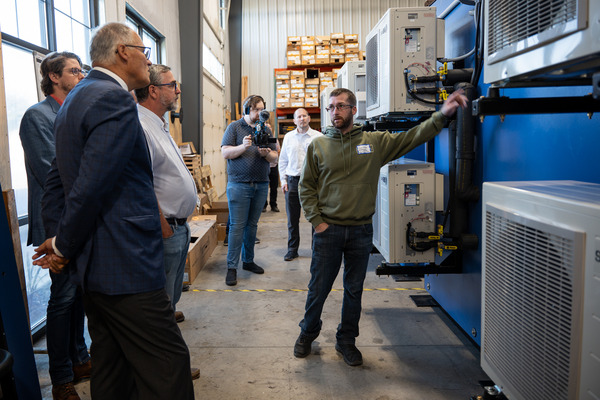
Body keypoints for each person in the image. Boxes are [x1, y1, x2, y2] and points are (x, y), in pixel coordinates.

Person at [33, 22, 194, 399]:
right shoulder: (113, 97)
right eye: (144, 51)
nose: (146, 60)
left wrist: (61, 241)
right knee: (168, 367)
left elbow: (57, 181)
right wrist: (62, 246)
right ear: (123, 52)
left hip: (96, 266)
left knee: (113, 367)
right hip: (126, 265)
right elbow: (92, 185)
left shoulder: (77, 97)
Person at [294, 88, 468, 366]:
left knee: (354, 290)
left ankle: (346, 341)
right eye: (330, 107)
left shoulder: (374, 143)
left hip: (361, 231)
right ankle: (307, 333)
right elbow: (306, 188)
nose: (334, 112)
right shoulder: (318, 146)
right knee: (319, 288)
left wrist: (441, 115)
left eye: (340, 106)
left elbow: (412, 137)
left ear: (353, 110)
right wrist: (318, 222)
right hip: (329, 232)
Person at [19, 51, 90, 400]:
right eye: (73, 71)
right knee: (63, 298)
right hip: (56, 224)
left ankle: (80, 358)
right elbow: (54, 171)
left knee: (77, 294)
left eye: (81, 70)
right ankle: (61, 376)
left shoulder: (71, 113)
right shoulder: (37, 116)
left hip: (75, 219)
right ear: (53, 76)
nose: (80, 76)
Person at [134, 64, 196, 324]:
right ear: (153, 91)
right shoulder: (141, 128)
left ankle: (169, 314)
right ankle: (167, 358)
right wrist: (164, 228)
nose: (178, 90)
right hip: (165, 228)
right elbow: (141, 185)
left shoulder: (159, 124)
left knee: (171, 292)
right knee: (159, 299)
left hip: (177, 226)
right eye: (172, 85)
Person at [221, 95, 278, 286]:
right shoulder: (235, 127)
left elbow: (275, 156)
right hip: (239, 185)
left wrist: (267, 153)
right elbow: (225, 152)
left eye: (262, 109)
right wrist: (242, 146)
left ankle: (248, 261)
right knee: (237, 227)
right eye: (256, 110)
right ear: (247, 110)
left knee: (252, 226)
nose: (260, 113)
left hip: (261, 184)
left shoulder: (266, 128)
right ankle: (231, 267)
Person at [278, 108, 322, 261]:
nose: (302, 119)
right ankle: (292, 249)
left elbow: (324, 161)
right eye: (299, 117)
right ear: (294, 121)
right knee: (292, 219)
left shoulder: (319, 137)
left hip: (313, 182)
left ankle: (316, 249)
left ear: (309, 119)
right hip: (292, 181)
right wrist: (283, 181)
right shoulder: (289, 137)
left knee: (315, 216)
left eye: (304, 116)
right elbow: (282, 160)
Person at [263, 140, 281, 212]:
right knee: (264, 187)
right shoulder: (261, 139)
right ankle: (263, 205)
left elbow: (278, 151)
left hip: (273, 166)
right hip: (264, 166)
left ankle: (273, 204)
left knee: (274, 186)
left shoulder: (274, 140)